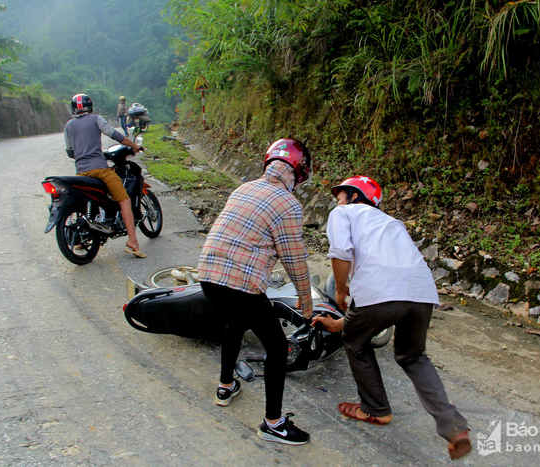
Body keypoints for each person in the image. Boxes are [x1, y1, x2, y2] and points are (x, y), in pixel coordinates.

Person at [311, 175, 471, 460]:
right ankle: (455, 428)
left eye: (341, 195)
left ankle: (375, 409)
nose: (337, 200)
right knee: (413, 356)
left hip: (379, 292)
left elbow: (340, 252)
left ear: (354, 196)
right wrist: (339, 323)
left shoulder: (343, 213)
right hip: (421, 293)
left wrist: (341, 290)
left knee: (355, 342)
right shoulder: (390, 223)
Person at [197, 138, 313, 446]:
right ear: (298, 172)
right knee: (276, 348)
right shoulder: (288, 204)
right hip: (241, 283)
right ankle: (273, 423)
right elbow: (293, 257)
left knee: (234, 323)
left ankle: (225, 387)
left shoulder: (244, 188)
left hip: (208, 274)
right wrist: (306, 298)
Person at [63, 93, 146, 258]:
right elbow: (115, 135)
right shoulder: (96, 119)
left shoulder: (69, 126)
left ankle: (82, 239)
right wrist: (134, 146)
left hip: (81, 172)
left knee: (88, 201)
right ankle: (133, 242)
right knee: (124, 200)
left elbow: (70, 152)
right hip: (100, 170)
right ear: (90, 106)